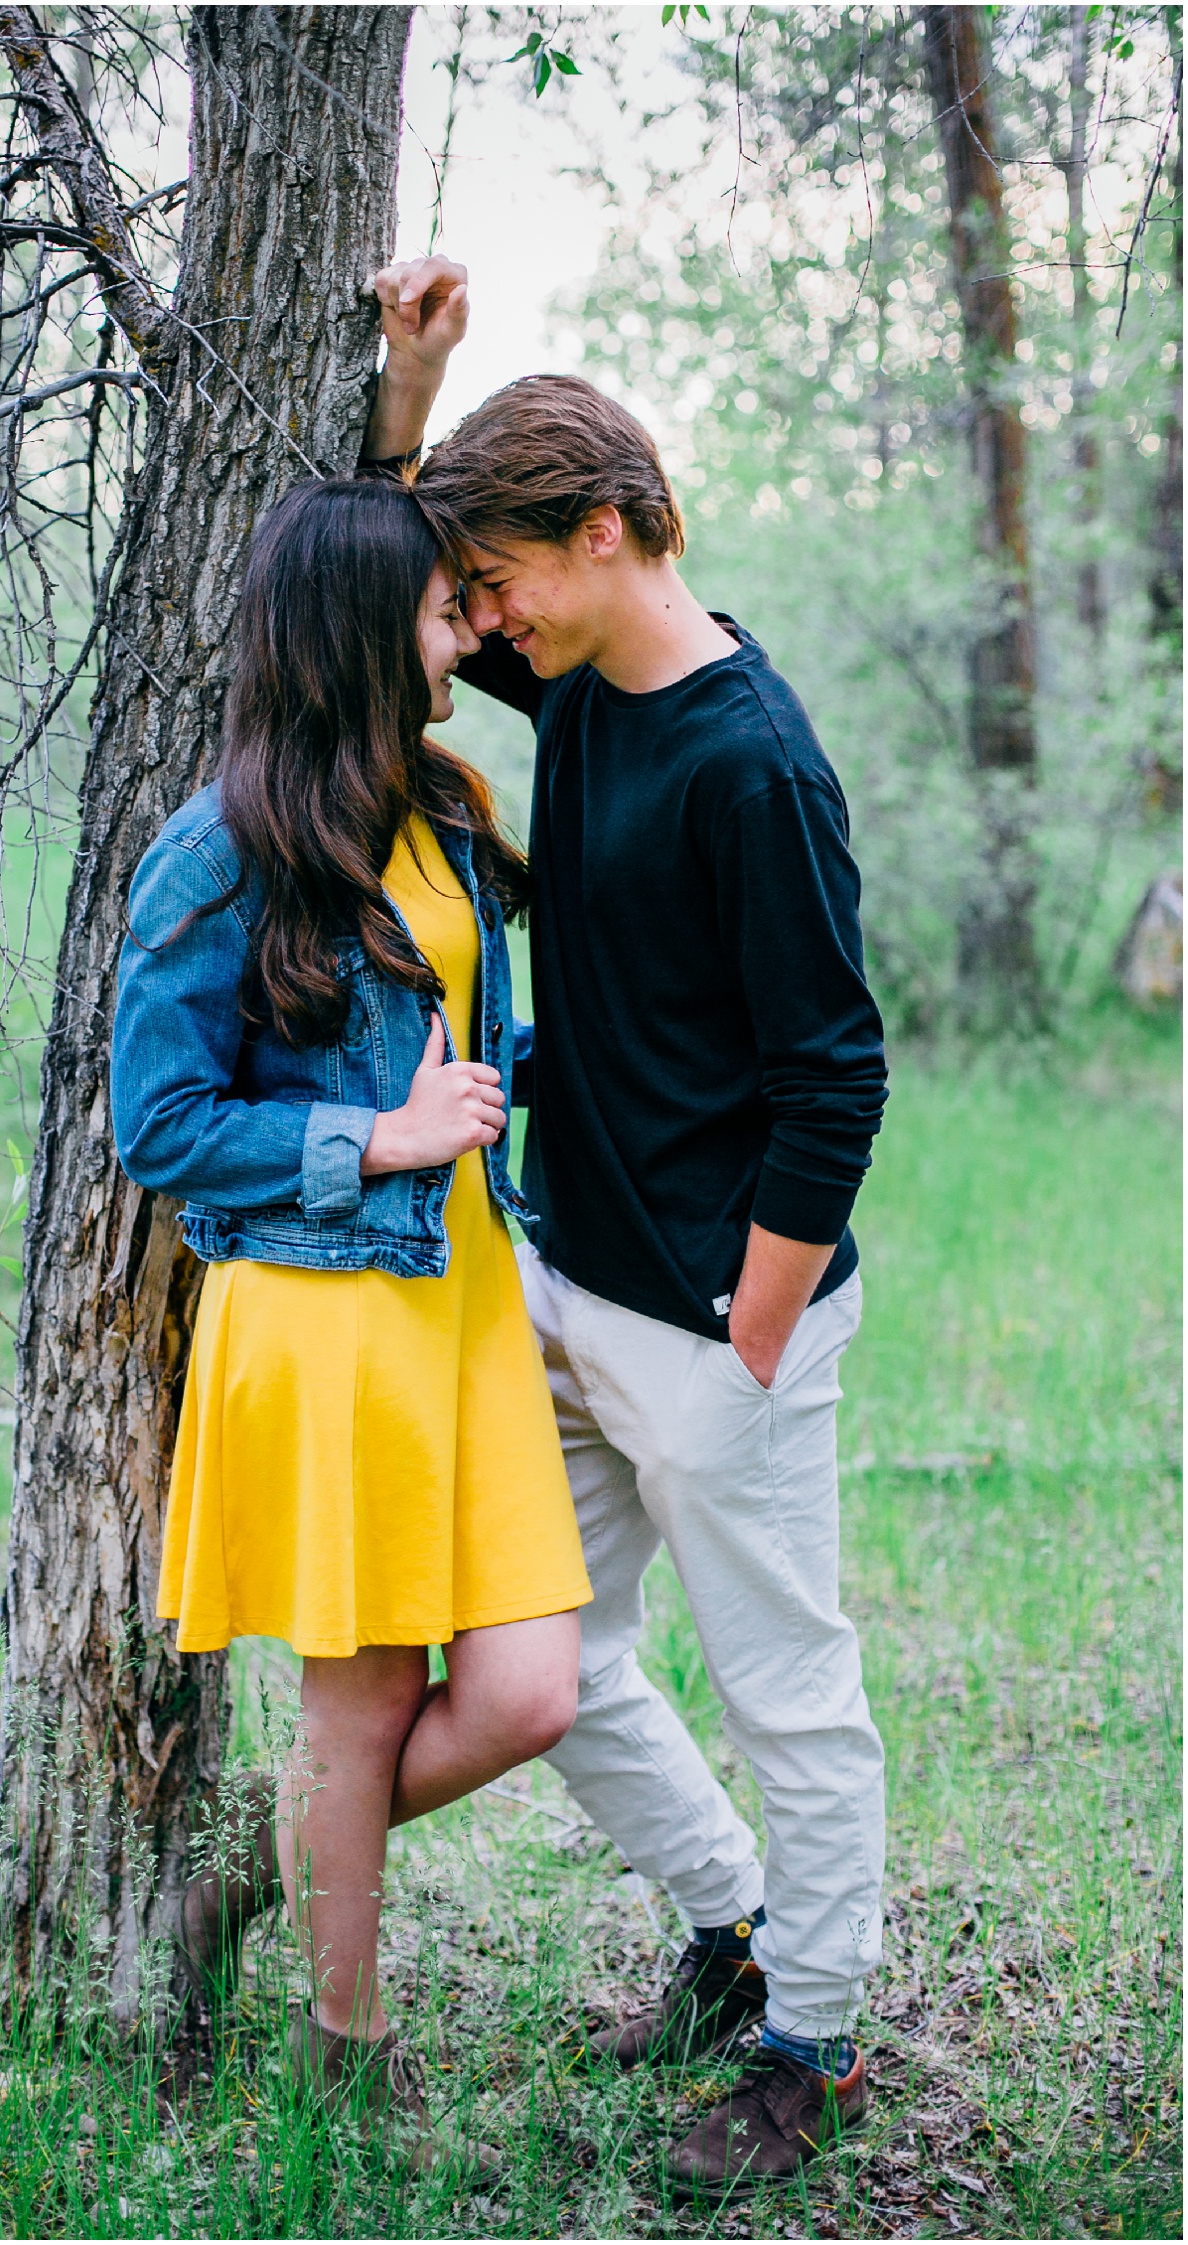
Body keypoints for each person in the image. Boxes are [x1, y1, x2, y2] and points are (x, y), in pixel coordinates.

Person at [359, 255, 889, 2198]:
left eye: (501, 581)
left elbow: (837, 1074)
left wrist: (749, 1335)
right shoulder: (573, 669)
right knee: (555, 1661)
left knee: (789, 1687)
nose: (479, 624)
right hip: (567, 1283)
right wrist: (414, 385)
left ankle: (814, 2041)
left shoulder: (755, 765)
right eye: (476, 600)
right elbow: (385, 575)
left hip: (719, 1323)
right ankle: (734, 1924)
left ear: (607, 533)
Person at [110, 469, 592, 2168]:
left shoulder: (442, 801)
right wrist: (369, 1134)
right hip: (323, 1317)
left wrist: (405, 401)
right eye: (441, 601)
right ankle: (345, 2054)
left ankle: (251, 1872)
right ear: (358, 626)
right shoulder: (220, 847)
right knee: (366, 1697)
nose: (469, 620)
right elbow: (155, 1123)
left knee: (532, 1684)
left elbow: (475, 1037)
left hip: (460, 1295)